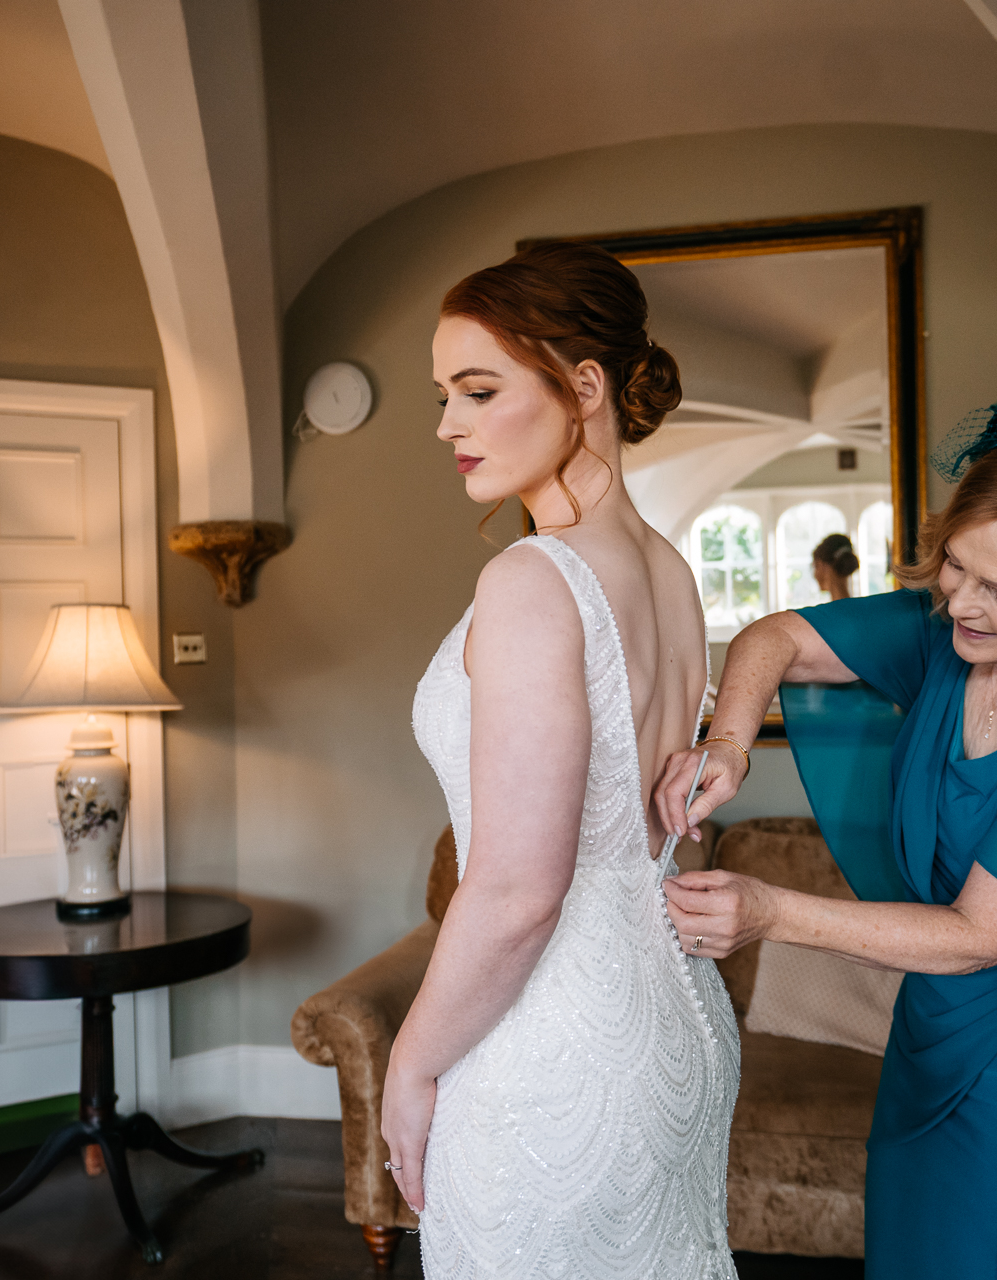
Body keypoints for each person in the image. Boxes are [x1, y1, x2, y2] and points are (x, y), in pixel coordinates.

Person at [656, 390, 997, 1279]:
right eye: (956, 568)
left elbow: (988, 933)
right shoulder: (951, 640)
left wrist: (766, 911)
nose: (963, 604)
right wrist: (730, 741)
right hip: (927, 1043)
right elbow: (775, 635)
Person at [386, 242, 740, 1279]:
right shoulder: (672, 573)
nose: (448, 424)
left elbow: (517, 889)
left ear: (584, 387)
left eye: (478, 389)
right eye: (444, 394)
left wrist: (412, 1062)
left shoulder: (535, 579)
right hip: (677, 1017)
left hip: (554, 1044)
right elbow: (665, 821)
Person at [811, 532, 859, 600]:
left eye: (815, 566)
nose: (815, 574)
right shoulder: (858, 608)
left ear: (822, 565)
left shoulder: (829, 609)